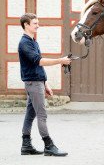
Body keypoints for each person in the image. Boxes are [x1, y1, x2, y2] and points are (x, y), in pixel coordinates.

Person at [18, 13, 71, 156]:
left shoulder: (33, 42)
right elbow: (39, 61)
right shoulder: (24, 43)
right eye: (35, 23)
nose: (38, 25)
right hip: (33, 83)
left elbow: (37, 66)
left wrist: (45, 83)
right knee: (42, 115)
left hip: (37, 82)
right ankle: (49, 146)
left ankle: (26, 145)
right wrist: (61, 60)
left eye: (37, 23)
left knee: (30, 114)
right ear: (26, 25)